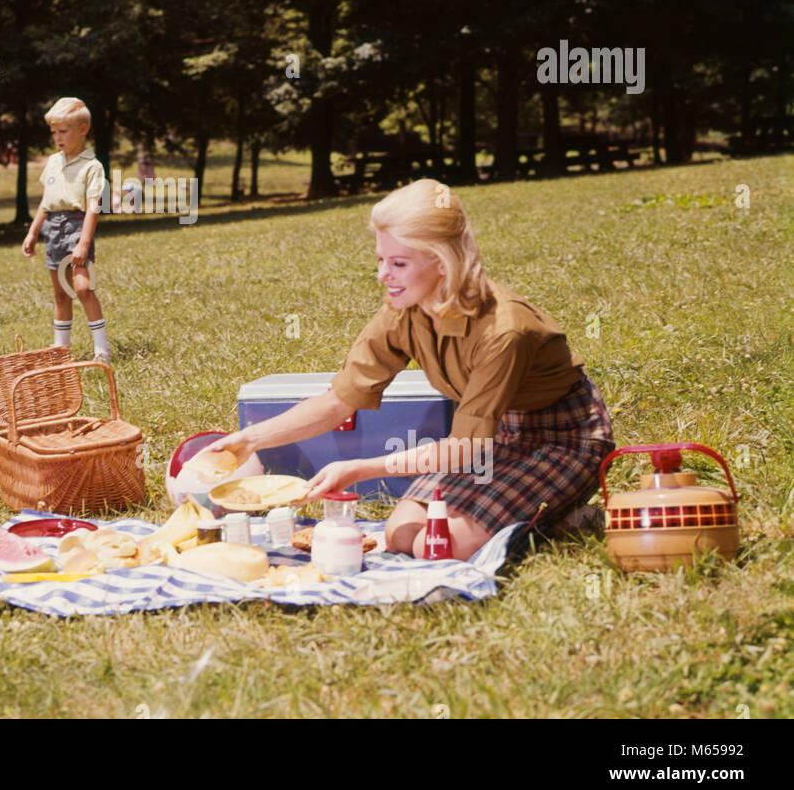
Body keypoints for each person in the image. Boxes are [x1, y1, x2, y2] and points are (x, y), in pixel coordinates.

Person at [200, 178, 615, 560]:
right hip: (493, 436)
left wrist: (360, 468)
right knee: (402, 535)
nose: (383, 276)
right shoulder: (403, 312)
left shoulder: (504, 330)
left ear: (442, 262)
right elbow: (337, 403)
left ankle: (563, 520)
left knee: (440, 547)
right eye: (381, 259)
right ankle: (535, 518)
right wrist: (248, 440)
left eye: (398, 264)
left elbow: (465, 449)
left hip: (564, 438)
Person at [21, 97, 110, 361]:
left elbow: (93, 207)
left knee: (83, 288)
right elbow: (46, 203)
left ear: (82, 129)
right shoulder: (53, 162)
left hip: (76, 226)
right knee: (61, 294)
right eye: (54, 132)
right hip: (53, 229)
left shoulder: (92, 166)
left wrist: (84, 242)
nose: (57, 138)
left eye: (63, 131)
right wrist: (33, 232)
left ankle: (102, 350)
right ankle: (61, 351)